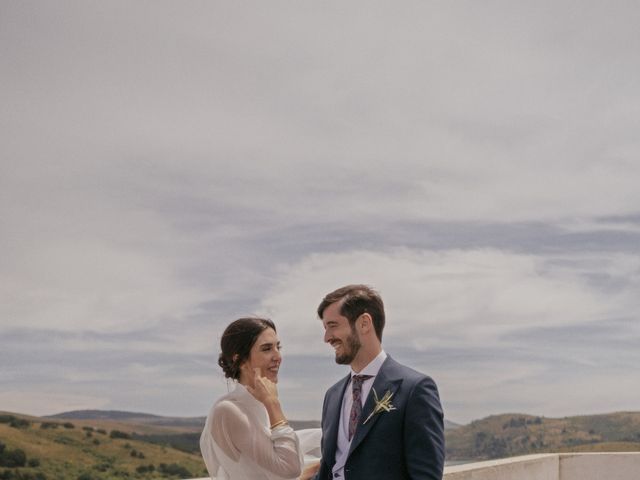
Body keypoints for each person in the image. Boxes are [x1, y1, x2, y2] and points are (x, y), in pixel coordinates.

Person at [314, 285, 445, 480]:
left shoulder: (414, 389)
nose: (326, 338)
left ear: (364, 323)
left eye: (333, 326)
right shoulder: (332, 395)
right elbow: (329, 470)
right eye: (325, 329)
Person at [200, 317, 319, 480]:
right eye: (266, 349)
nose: (278, 356)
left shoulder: (258, 404)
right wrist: (273, 404)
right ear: (240, 360)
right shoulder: (228, 409)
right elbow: (290, 468)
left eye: (278, 347)